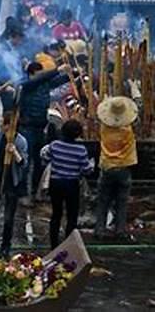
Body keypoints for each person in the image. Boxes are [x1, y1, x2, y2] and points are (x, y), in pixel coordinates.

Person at [17, 62, 71, 196]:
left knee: (40, 160)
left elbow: (60, 80)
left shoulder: (44, 84)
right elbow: (44, 78)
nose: (42, 77)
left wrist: (73, 72)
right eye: (39, 74)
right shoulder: (26, 85)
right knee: (25, 161)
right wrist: (57, 69)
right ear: (31, 75)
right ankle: (22, 193)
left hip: (41, 127)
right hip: (27, 128)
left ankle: (37, 191)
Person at [0, 113, 29, 258]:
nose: (1, 124)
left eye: (3, 122)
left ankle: (6, 246)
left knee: (9, 217)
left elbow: (23, 163)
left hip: (11, 182)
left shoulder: (21, 141)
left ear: (10, 125)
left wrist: (14, 152)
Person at [40, 119, 93, 248]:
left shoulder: (55, 145)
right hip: (72, 184)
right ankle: (69, 244)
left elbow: (45, 158)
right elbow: (86, 170)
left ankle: (54, 244)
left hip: (56, 183)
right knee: (72, 215)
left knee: (56, 214)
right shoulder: (81, 150)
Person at [94, 97, 138, 240]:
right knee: (122, 201)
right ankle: (120, 231)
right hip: (124, 168)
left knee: (103, 201)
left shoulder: (104, 129)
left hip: (107, 167)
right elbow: (136, 116)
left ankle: (99, 230)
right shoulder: (128, 131)